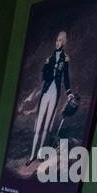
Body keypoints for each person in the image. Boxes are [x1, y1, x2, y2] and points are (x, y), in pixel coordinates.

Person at [28, 30, 72, 163]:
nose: (57, 42)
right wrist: (47, 65)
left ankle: (40, 154)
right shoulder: (50, 58)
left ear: (63, 42)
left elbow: (66, 78)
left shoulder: (66, 59)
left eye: (60, 40)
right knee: (39, 124)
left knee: (47, 125)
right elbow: (44, 76)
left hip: (55, 93)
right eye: (57, 40)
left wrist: (69, 92)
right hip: (46, 92)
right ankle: (32, 155)